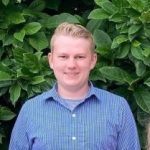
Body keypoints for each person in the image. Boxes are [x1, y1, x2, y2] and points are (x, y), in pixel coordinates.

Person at [9, 22, 140, 150]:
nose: (71, 65)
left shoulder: (118, 108)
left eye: (79, 57)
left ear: (93, 60)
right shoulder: (30, 111)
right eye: (63, 56)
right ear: (51, 60)